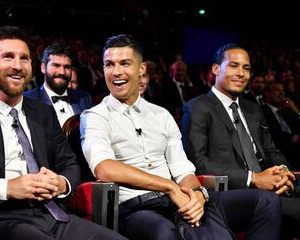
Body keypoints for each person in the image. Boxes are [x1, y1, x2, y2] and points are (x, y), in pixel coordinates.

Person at [80, 34, 282, 240]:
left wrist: (197, 195)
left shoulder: (161, 114)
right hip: (137, 208)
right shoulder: (95, 116)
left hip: (179, 198)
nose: (116, 72)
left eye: (124, 63)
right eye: (109, 64)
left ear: (141, 69)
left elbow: (181, 167)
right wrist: (168, 187)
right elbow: (105, 168)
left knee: (265, 201)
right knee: (168, 232)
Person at [0, 26, 126, 240]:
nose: (18, 66)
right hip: (0, 218)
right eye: (8, 57)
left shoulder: (43, 112)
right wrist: (6, 187)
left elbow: (70, 163)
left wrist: (61, 183)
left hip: (55, 215)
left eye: (24, 58)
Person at [181, 43, 300, 239]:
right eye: (233, 66)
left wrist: (283, 172)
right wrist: (254, 178)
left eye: (246, 68)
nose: (241, 73)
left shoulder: (253, 108)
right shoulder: (198, 107)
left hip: (271, 185)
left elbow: (272, 151)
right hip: (233, 192)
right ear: (216, 69)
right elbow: (198, 162)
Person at [25, 43, 92, 126]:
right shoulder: (28, 100)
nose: (62, 72)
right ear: (43, 68)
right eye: (56, 66)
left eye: (67, 67)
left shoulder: (84, 98)